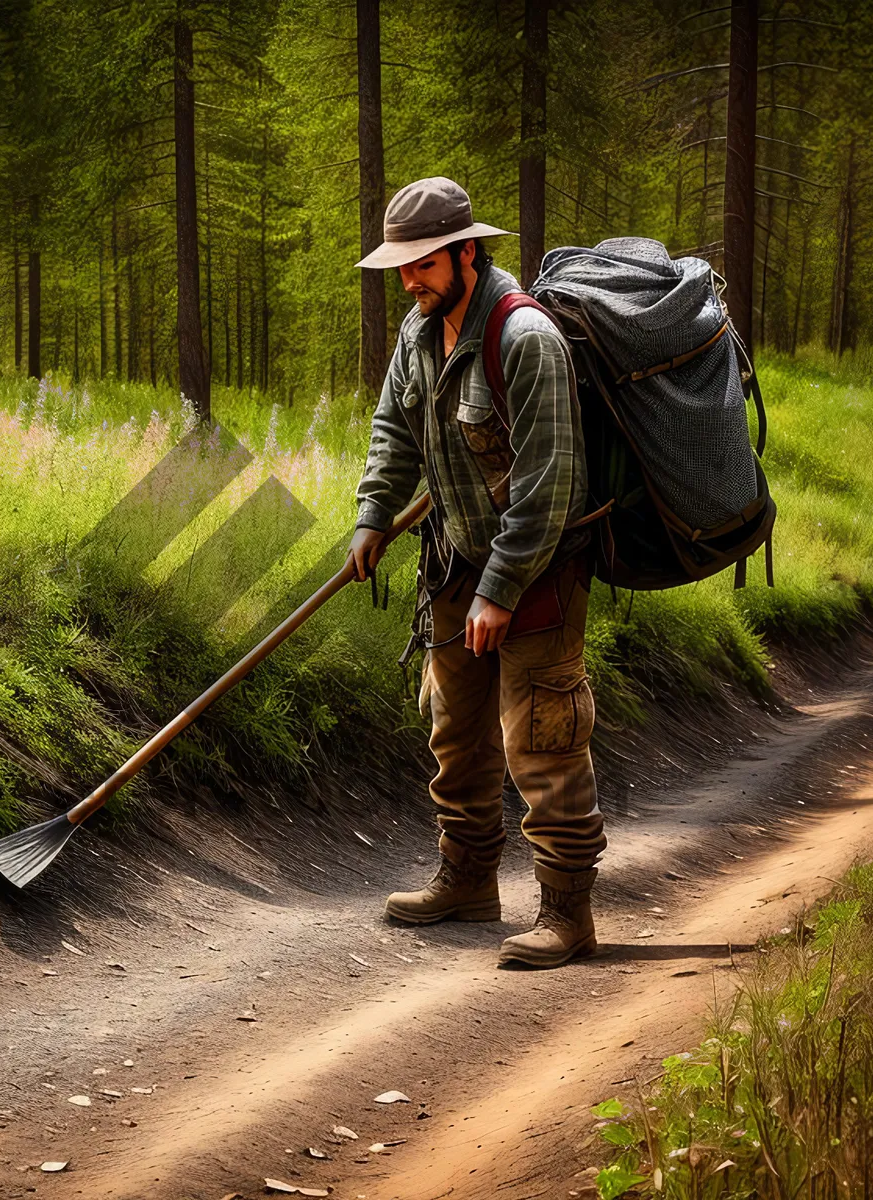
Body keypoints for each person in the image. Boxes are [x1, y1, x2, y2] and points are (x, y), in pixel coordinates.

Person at [347, 176, 604, 968]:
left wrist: (501, 588)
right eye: (401, 266)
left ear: (466, 251)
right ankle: (467, 880)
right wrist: (373, 517)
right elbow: (395, 428)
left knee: (542, 738)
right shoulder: (420, 331)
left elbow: (549, 480)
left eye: (422, 263)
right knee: (454, 730)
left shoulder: (526, 339)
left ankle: (567, 913)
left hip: (537, 571)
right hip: (453, 558)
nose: (409, 279)